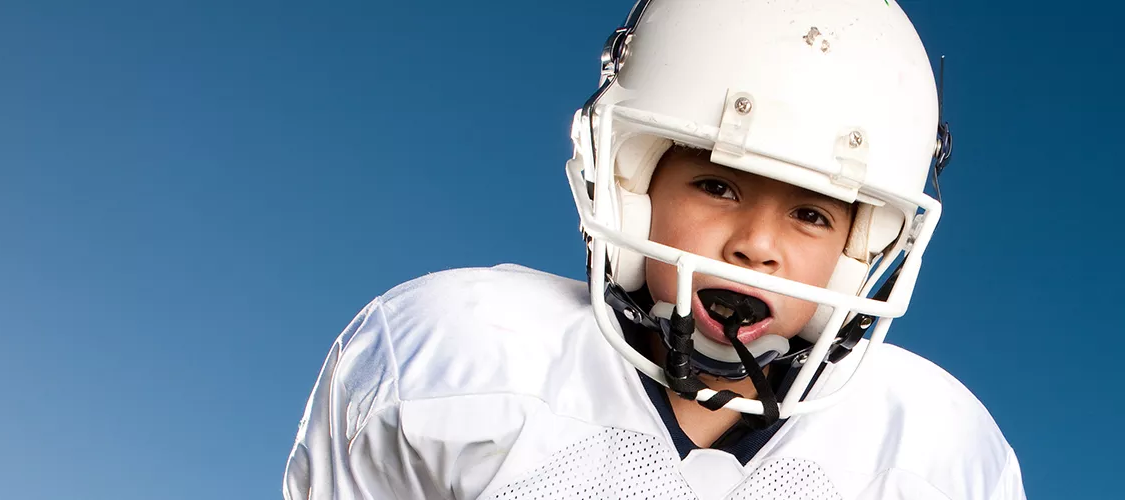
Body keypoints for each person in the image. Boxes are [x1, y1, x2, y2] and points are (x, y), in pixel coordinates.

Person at [283, 0, 1023, 498]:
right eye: (718, 187)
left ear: (862, 252)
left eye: (809, 214)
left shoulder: (931, 451)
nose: (756, 247)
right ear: (629, 185)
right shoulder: (456, 359)